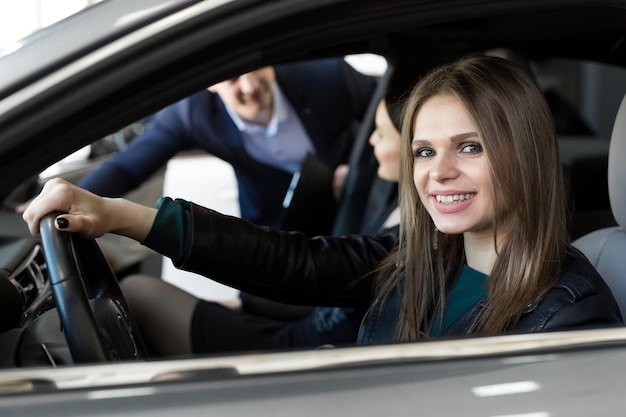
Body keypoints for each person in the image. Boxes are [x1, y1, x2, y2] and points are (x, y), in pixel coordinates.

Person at [23, 55, 622, 348]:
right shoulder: (422, 251)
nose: (438, 173)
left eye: (468, 147)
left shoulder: (571, 320)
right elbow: (297, 261)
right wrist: (121, 216)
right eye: (422, 151)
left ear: (522, 153)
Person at [116, 95, 403, 356]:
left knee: (136, 293)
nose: (370, 141)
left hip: (297, 352)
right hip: (299, 323)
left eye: (380, 133)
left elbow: (298, 262)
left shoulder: (403, 244)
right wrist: (249, 306)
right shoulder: (395, 205)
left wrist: (123, 217)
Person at [75, 58, 377, 231]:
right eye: (232, 79)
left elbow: (396, 116)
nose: (250, 86)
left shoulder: (326, 75)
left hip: (358, 209)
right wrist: (74, 199)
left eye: (255, 67)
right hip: (274, 225)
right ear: (210, 82)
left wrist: (359, 174)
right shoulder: (191, 114)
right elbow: (126, 168)